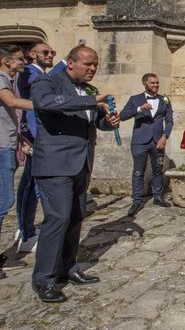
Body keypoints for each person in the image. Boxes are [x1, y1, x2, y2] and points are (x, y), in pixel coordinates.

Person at [30, 45, 120, 303]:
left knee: (76, 217)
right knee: (57, 219)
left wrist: (106, 122)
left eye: (95, 65)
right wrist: (93, 100)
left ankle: (67, 268)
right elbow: (45, 103)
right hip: (55, 165)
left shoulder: (88, 91)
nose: (92, 69)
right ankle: (44, 278)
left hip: (81, 163)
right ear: (70, 63)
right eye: (87, 64)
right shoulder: (47, 81)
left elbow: (91, 121)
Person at [15, 42, 56, 253]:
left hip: (38, 134)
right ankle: (26, 233)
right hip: (33, 135)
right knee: (30, 186)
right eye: (45, 52)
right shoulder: (30, 72)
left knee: (30, 183)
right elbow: (40, 87)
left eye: (52, 53)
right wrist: (66, 64)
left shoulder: (37, 72)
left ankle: (25, 229)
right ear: (32, 54)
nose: (50, 56)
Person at [0, 45, 33, 279]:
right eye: (20, 58)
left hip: (8, 144)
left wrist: (19, 136)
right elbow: (10, 102)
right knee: (4, 201)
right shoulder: (1, 80)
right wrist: (48, 103)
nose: (24, 61)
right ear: (6, 61)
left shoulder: (9, 80)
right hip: (1, 148)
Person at [120, 73, 174, 217]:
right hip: (140, 140)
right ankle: (136, 200)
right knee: (138, 171)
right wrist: (139, 109)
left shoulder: (165, 100)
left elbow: (169, 120)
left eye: (157, 83)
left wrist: (165, 136)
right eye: (152, 83)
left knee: (158, 169)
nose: (155, 85)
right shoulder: (135, 99)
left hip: (158, 140)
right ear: (145, 83)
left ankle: (157, 196)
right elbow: (122, 116)